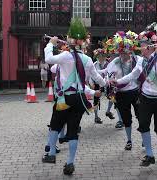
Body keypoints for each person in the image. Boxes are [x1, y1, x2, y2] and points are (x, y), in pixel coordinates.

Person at [42, 18, 106, 175]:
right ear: (83, 44)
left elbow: (49, 60)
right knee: (72, 131)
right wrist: (105, 84)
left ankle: (51, 155)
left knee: (55, 125)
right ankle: (70, 163)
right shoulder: (88, 59)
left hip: (65, 99)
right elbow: (97, 78)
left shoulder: (65, 56)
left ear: (70, 42)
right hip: (79, 99)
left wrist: (51, 43)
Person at [113, 27, 157, 166]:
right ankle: (149, 154)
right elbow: (132, 75)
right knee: (143, 125)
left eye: (142, 45)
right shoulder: (141, 61)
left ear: (150, 46)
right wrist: (117, 81)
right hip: (146, 98)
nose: (140, 47)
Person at [105, 31, 140, 151]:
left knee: (141, 117)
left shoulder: (137, 60)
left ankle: (144, 139)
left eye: (128, 51)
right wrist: (111, 80)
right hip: (122, 94)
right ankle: (129, 140)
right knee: (126, 119)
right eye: (123, 51)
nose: (126, 54)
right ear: (119, 51)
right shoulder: (114, 63)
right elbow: (108, 77)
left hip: (136, 92)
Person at [91, 48, 115, 124]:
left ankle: (108, 111)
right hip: (97, 84)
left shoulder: (109, 64)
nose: (101, 58)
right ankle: (96, 117)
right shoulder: (94, 64)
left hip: (108, 83)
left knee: (113, 97)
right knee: (96, 100)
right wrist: (91, 83)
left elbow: (110, 73)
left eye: (102, 56)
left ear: (105, 56)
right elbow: (91, 75)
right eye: (99, 56)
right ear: (97, 57)